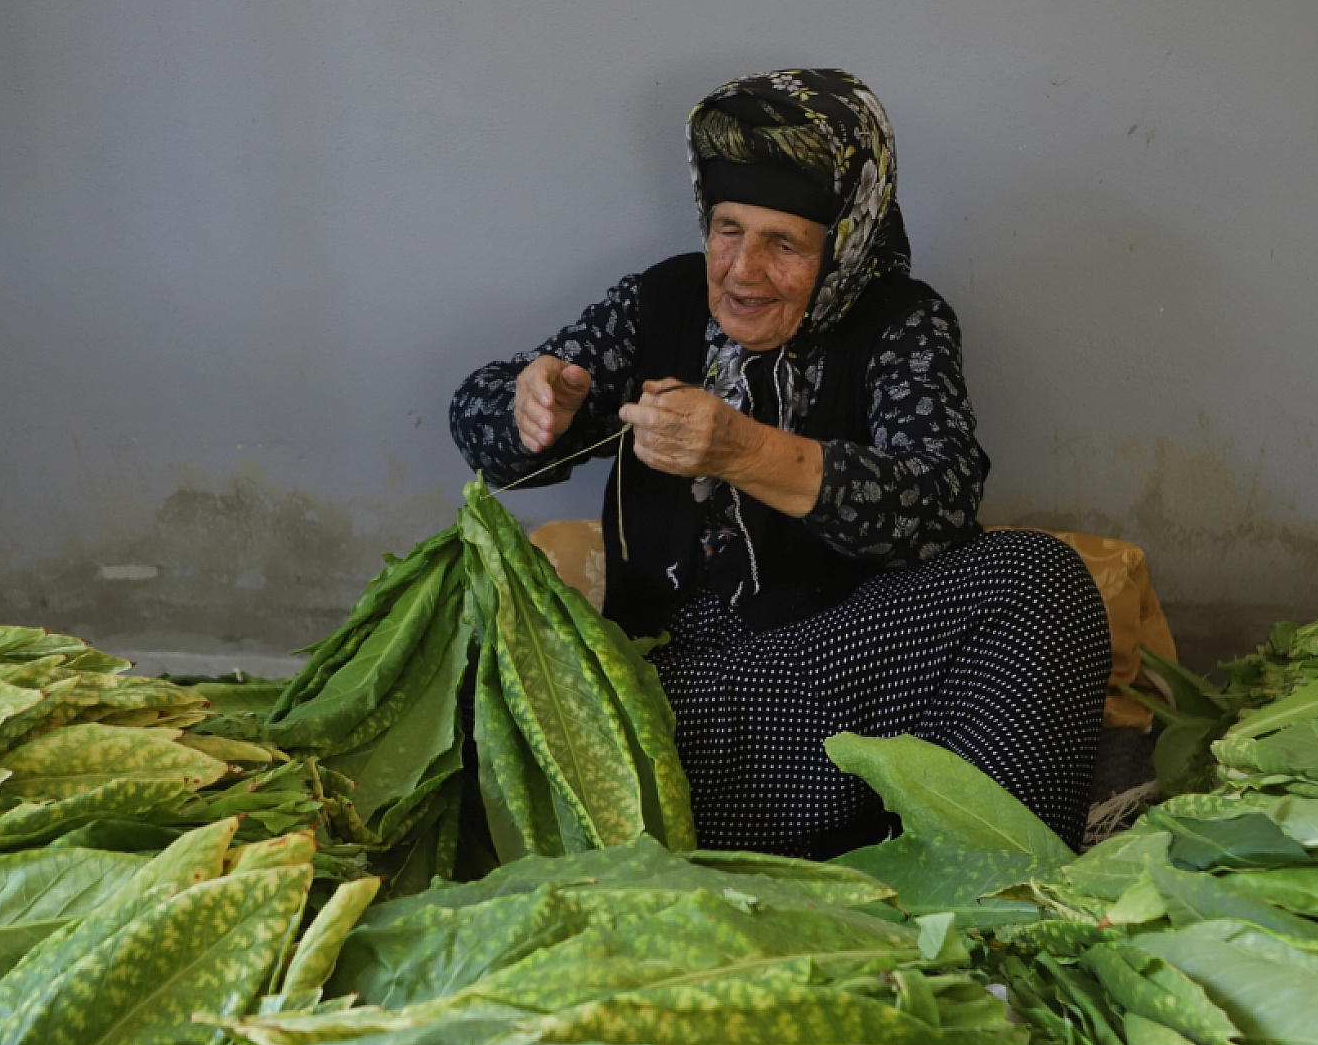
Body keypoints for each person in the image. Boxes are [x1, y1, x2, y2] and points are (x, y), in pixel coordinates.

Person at [451, 69, 1111, 857]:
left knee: (1041, 581)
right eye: (728, 228)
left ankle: (994, 894)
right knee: (475, 689)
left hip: (842, 697)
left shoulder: (899, 323)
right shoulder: (659, 303)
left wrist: (744, 449)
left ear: (845, 242)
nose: (743, 269)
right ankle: (808, 844)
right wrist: (533, 407)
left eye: (785, 243)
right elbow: (479, 419)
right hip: (668, 720)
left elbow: (939, 501)